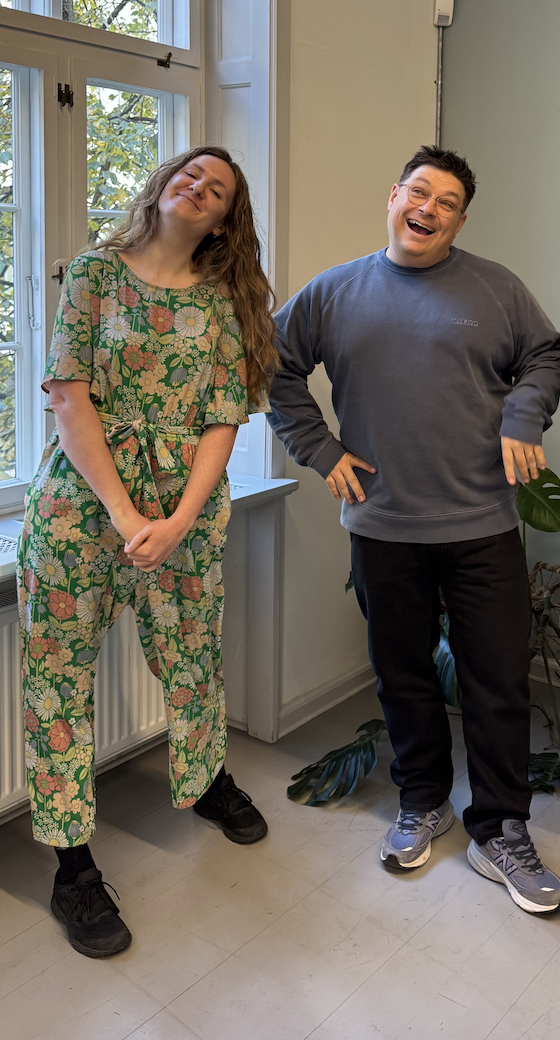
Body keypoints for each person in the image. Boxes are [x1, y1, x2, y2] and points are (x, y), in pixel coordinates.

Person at [268, 146, 560, 914]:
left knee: (497, 682)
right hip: (384, 526)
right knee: (402, 676)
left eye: (447, 202)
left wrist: (523, 412)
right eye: (419, 192)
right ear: (394, 196)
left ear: (460, 222)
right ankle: (424, 801)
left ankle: (499, 830)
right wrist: (319, 448)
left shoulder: (496, 289)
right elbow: (271, 365)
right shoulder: (334, 292)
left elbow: (547, 355)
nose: (428, 209)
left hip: (482, 523)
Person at [17, 145, 278, 957]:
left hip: (185, 513)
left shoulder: (225, 301)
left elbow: (222, 421)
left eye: (217, 188)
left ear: (224, 220)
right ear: (163, 184)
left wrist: (177, 521)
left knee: (194, 657)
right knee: (57, 678)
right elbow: (69, 397)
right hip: (80, 507)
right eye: (189, 174)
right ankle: (72, 867)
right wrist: (128, 514)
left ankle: (206, 782)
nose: (198, 187)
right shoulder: (92, 275)